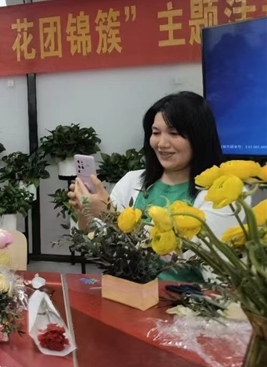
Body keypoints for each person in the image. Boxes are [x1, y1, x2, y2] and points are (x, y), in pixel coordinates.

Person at [68, 91, 238, 280]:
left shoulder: (222, 193)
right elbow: (96, 245)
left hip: (188, 296)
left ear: (199, 137)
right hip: (126, 291)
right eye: (156, 133)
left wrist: (112, 216)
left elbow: (198, 255)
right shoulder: (132, 181)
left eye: (174, 133)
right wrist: (85, 212)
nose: (162, 143)